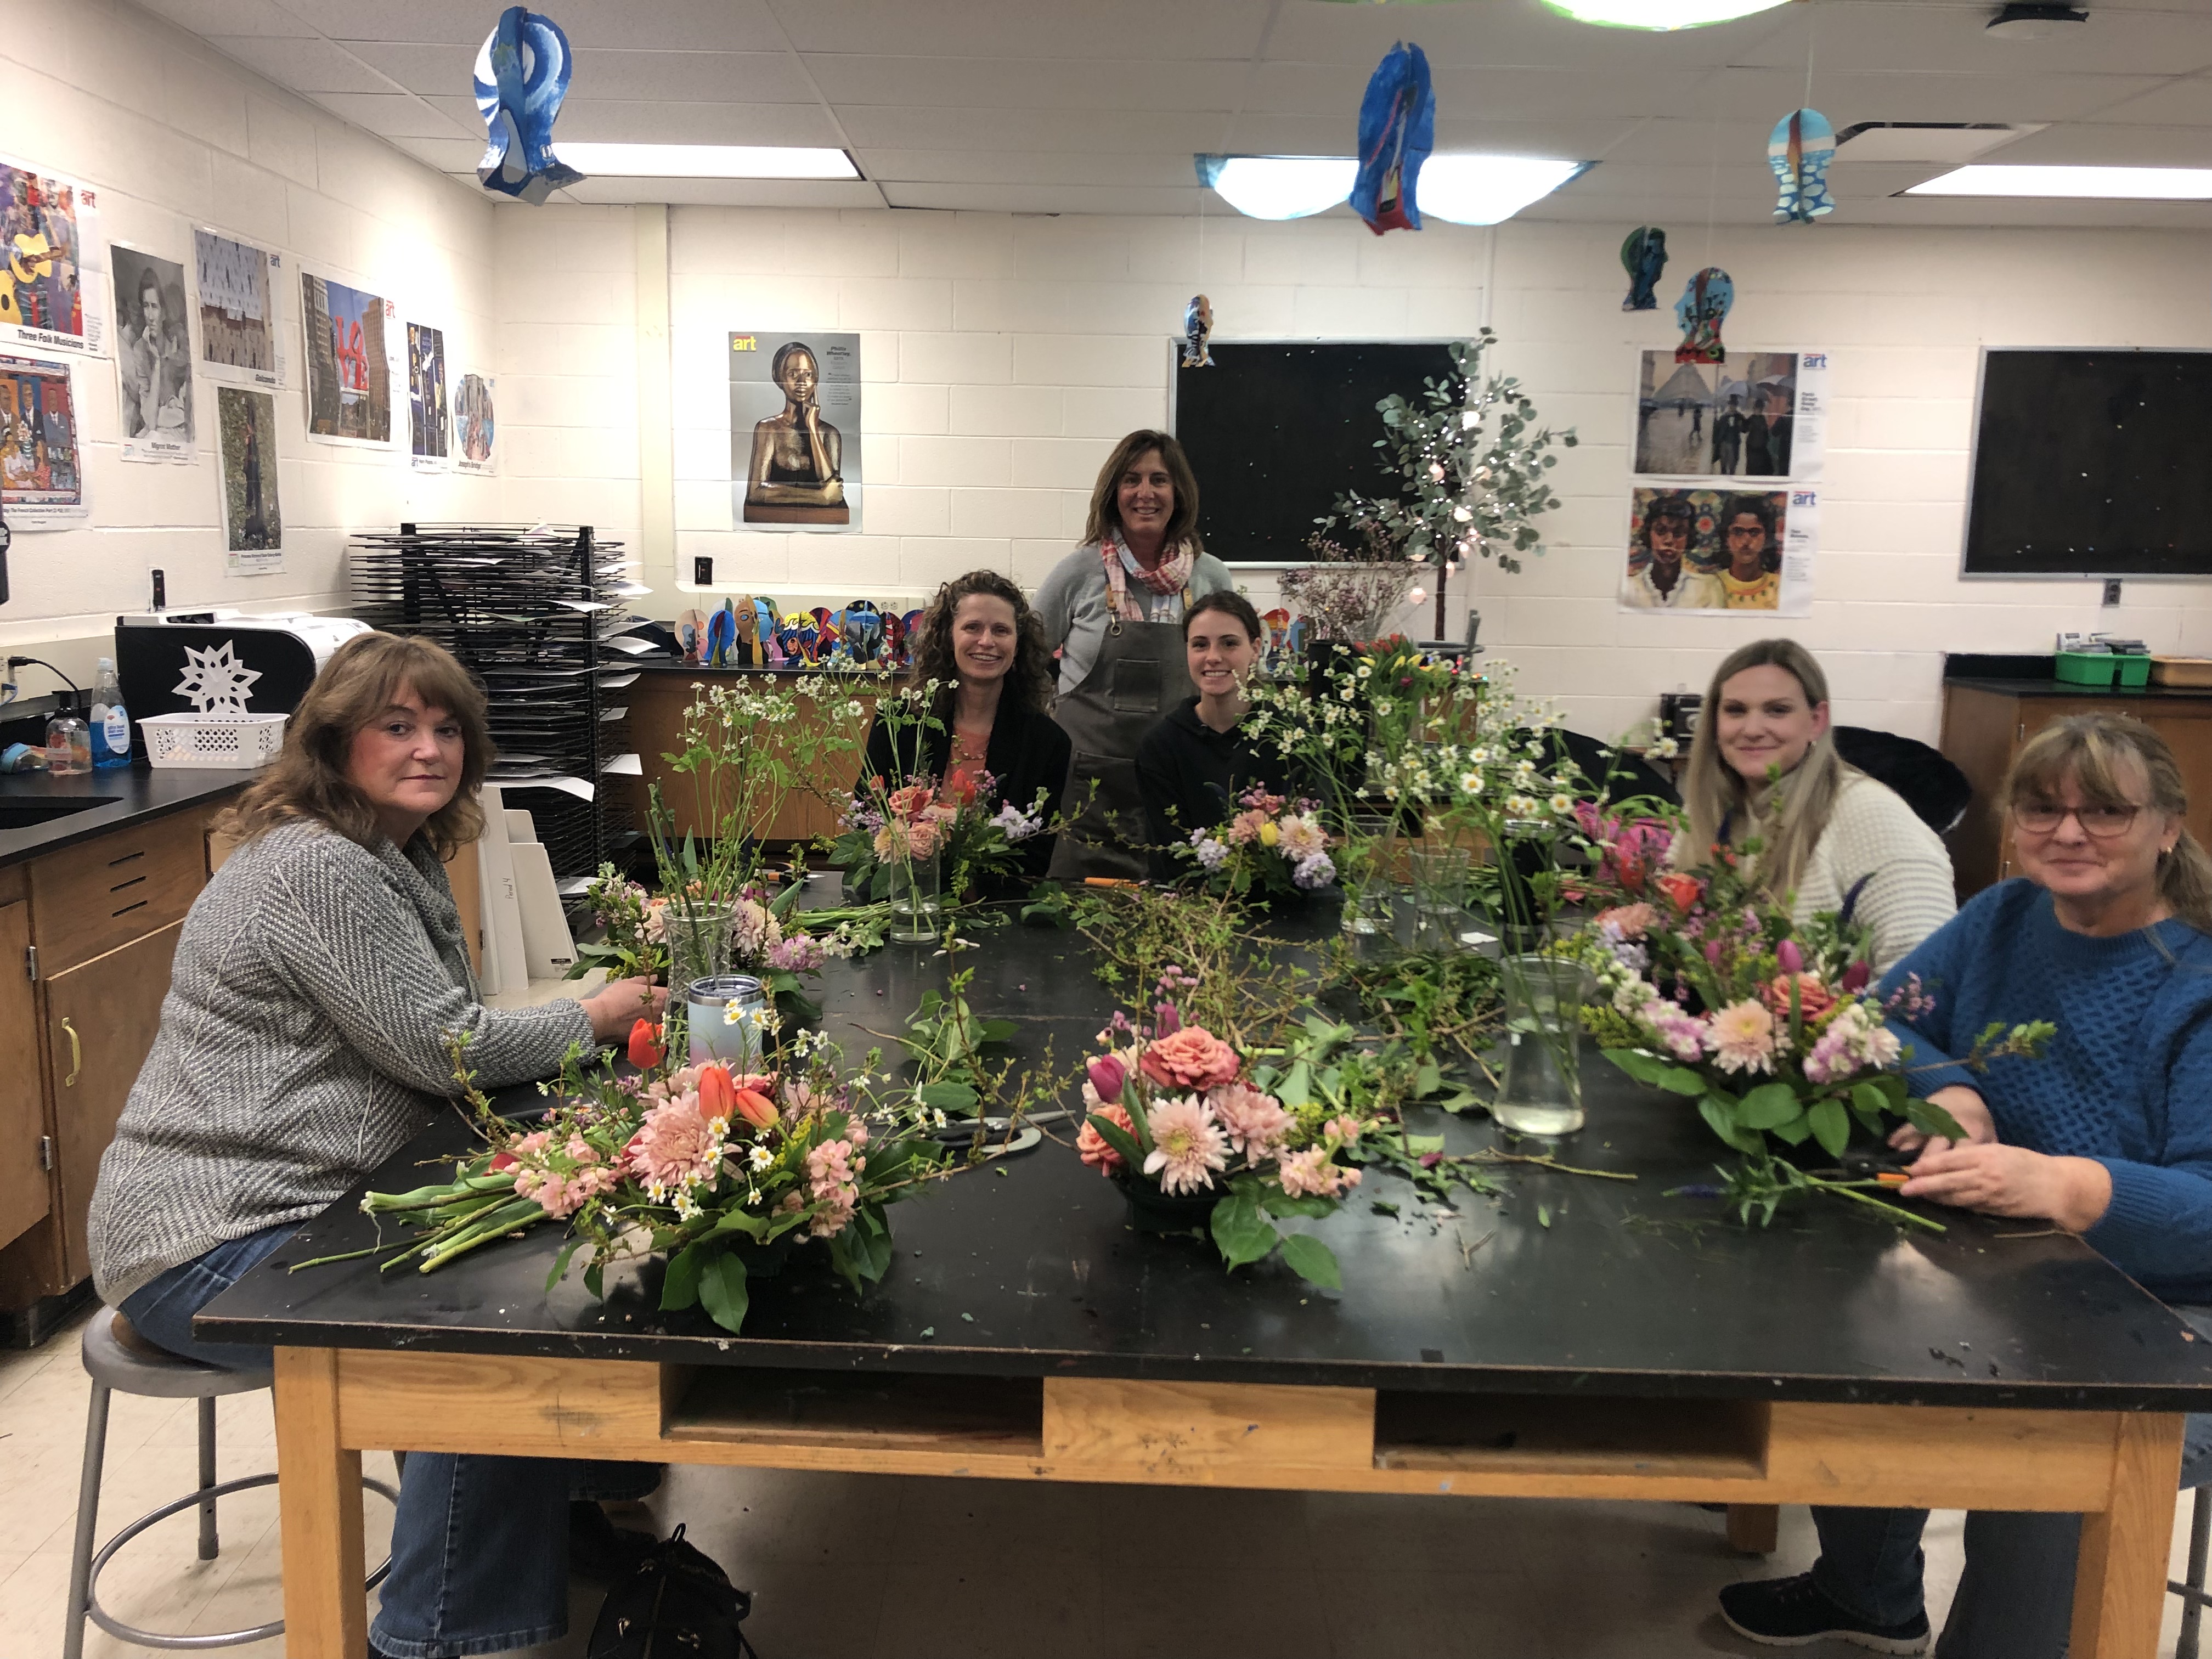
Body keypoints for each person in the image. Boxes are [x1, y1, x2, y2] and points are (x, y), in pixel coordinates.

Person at [85, 632, 675, 1659]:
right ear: (333, 741)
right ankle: (443, 1632)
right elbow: (445, 1045)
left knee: (541, 1243)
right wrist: (592, 1014)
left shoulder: (387, 853)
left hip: (297, 1199)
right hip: (205, 1237)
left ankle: (553, 1499)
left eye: (447, 728)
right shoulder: (320, 865)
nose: (428, 748)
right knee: (476, 1329)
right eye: (397, 726)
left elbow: (435, 1022)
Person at [1719, 712, 2212, 1658]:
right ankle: (1867, 1592)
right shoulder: (2003, 917)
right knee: (1835, 1336)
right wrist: (1948, 1081)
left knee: (2048, 1462)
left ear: (2167, 826)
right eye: (2042, 807)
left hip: (2171, 1314)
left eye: (2103, 810)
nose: (2067, 831)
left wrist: (2069, 1185)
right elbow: (1873, 1022)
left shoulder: (2193, 984)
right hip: (2014, 1259)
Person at [1679, 639, 1954, 974]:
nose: (1751, 730)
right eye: (1735, 710)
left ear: (1816, 721)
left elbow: (1929, 974)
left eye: (1777, 710)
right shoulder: (1709, 808)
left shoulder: (1872, 815)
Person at [1034, 430, 1233, 879]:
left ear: (1179, 493)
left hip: (1180, 789)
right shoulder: (1077, 572)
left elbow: (1231, 680)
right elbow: (1024, 662)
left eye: (1159, 480)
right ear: (1113, 493)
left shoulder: (1210, 577)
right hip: (1087, 795)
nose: (1146, 493)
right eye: (1131, 480)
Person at [857, 569, 1071, 890]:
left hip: (995, 909)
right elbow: (864, 822)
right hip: (901, 900)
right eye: (972, 627)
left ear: (1018, 644)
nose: (987, 641)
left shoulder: (1047, 742)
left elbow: (1034, 859)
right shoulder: (898, 723)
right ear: (948, 636)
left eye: (1001, 630)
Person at [1135, 590, 1296, 882]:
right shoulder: (1161, 747)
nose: (1213, 657)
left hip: (1283, 906)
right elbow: (1170, 858)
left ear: (1256, 648)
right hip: (1190, 910)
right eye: (1200, 645)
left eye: (1229, 643)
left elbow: (1306, 844)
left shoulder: (1292, 739)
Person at [744, 341, 846, 522]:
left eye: (808, 375)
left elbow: (834, 491)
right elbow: (756, 492)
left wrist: (813, 429)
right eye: (793, 374)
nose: (801, 383)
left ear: (815, 381)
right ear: (780, 379)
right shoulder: (768, 429)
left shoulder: (830, 434)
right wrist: (819, 498)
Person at [1622, 494, 1725, 610]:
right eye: (1661, 531)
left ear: (1689, 538)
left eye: (1679, 533)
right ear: (1649, 534)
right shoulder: (1630, 587)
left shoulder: (1708, 588)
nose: (1669, 540)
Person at [1719, 494, 1782, 610]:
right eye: (1738, 532)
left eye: (1755, 532)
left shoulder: (1780, 587)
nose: (1746, 541)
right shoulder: (1711, 584)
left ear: (1767, 538)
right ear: (1726, 538)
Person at [1712, 393, 1748, 473]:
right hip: (1724, 444)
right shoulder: (1724, 417)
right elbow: (1718, 429)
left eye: (1734, 405)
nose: (1732, 407)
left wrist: (1741, 426)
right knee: (1723, 466)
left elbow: (1745, 429)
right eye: (1731, 405)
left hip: (1734, 444)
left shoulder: (1739, 417)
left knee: (1733, 466)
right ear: (1729, 405)